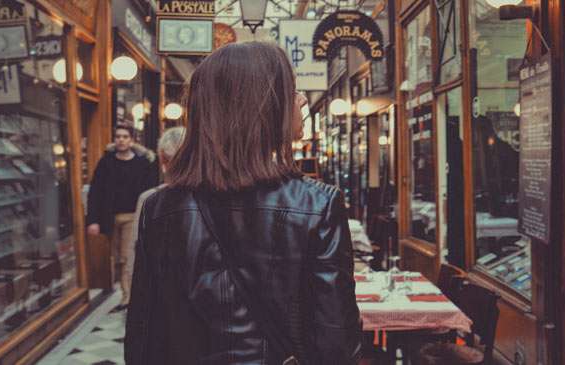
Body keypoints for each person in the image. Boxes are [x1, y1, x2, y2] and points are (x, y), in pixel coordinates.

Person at [126, 42, 362, 364]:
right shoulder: (317, 205)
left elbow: (143, 337)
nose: (302, 99)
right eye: (292, 90)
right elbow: (336, 344)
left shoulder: (160, 209)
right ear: (263, 106)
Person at [85, 125, 158, 310]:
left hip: (132, 216)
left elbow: (151, 193)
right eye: (118, 136)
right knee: (117, 258)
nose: (121, 140)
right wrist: (92, 220)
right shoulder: (106, 163)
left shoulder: (142, 164)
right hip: (110, 218)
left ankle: (128, 298)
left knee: (127, 256)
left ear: (132, 140)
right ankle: (127, 292)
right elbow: (95, 192)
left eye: (125, 136)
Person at [125, 126, 186, 308]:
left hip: (161, 299)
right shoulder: (214, 196)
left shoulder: (149, 200)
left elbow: (135, 255)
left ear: (162, 159)